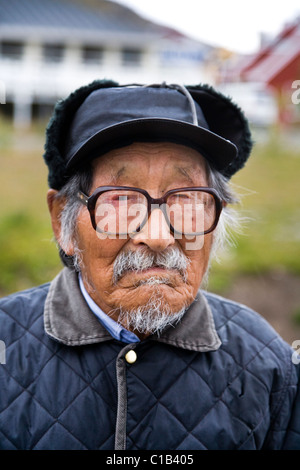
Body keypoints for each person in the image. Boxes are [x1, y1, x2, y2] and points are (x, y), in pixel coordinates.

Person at [0, 80, 299, 451]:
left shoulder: (270, 366)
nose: (157, 236)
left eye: (186, 198)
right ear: (63, 219)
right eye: (122, 198)